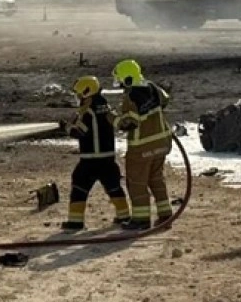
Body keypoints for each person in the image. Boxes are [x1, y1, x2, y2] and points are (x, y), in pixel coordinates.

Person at [59, 76, 130, 232]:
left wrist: (66, 128)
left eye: (79, 94)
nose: (77, 98)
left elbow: (80, 132)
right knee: (114, 187)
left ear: (86, 92)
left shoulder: (88, 112)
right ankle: (124, 216)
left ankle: (75, 222)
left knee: (79, 187)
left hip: (90, 160)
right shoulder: (105, 107)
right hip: (108, 159)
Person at [113, 59, 174, 230]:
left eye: (120, 80)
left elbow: (128, 123)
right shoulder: (153, 87)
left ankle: (141, 219)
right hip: (162, 144)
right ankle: (165, 216)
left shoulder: (131, 97)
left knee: (136, 183)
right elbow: (165, 100)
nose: (119, 84)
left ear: (127, 79)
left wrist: (112, 118)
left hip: (141, 149)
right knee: (156, 180)